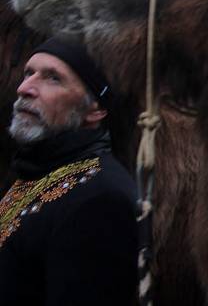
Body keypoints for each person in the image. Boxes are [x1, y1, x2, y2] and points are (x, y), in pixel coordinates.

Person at [0, 38, 137, 305]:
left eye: (53, 78)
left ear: (95, 110)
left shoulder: (102, 200)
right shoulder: (34, 171)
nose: (25, 88)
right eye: (29, 73)